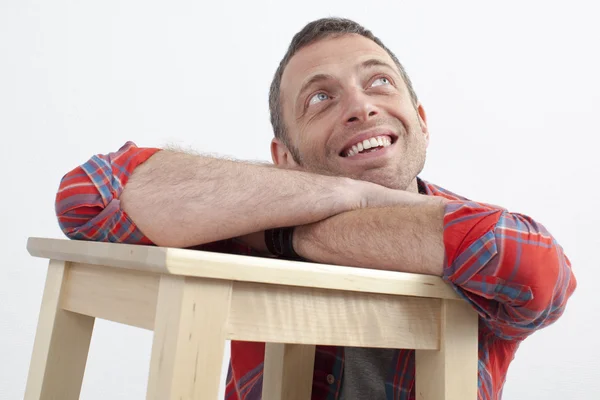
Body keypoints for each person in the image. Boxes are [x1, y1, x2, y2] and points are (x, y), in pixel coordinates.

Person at [54, 17, 576, 400]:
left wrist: (293, 236)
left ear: (419, 120)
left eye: (378, 82)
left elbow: (538, 271)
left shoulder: (469, 230)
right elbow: (87, 198)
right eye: (320, 99)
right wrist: (345, 196)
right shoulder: (235, 216)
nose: (361, 106)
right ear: (284, 159)